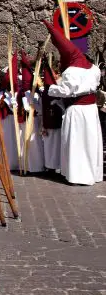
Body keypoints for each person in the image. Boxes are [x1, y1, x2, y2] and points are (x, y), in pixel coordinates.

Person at [44, 21, 104, 185]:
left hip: (77, 110)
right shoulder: (94, 69)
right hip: (91, 110)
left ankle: (77, 175)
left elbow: (66, 91)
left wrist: (51, 89)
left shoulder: (71, 71)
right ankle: (93, 173)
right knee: (90, 141)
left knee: (77, 142)